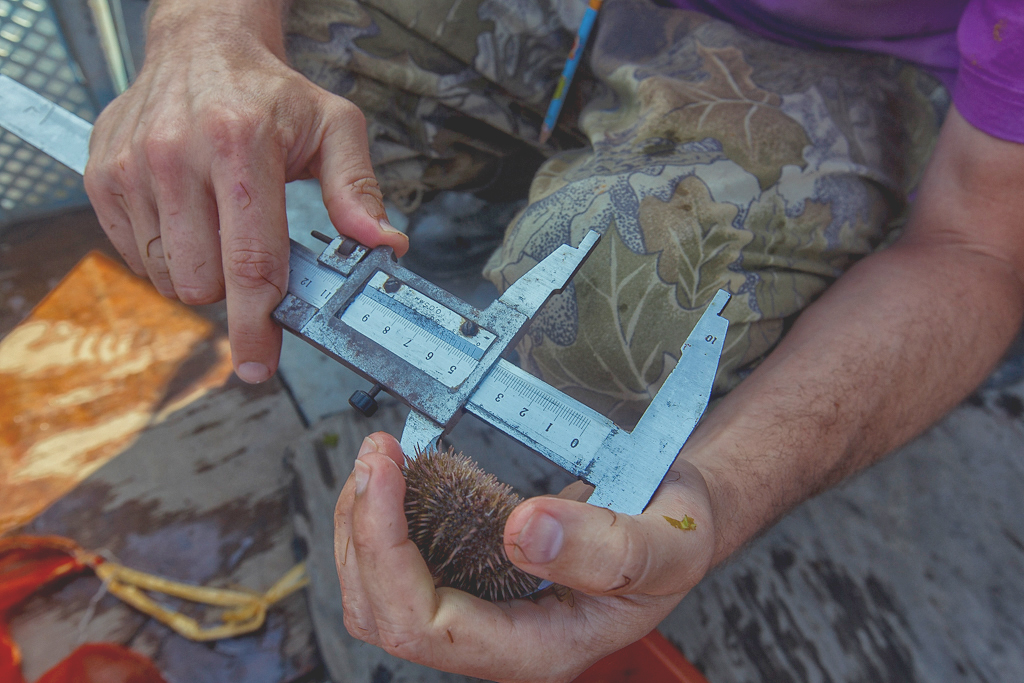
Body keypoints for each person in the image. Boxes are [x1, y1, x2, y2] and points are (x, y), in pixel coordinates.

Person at [83, 0, 1024, 680]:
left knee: (598, 326)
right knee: (216, 131)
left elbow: (978, 242)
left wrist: (716, 495)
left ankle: (609, 205)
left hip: (828, 54)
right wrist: (202, 28)